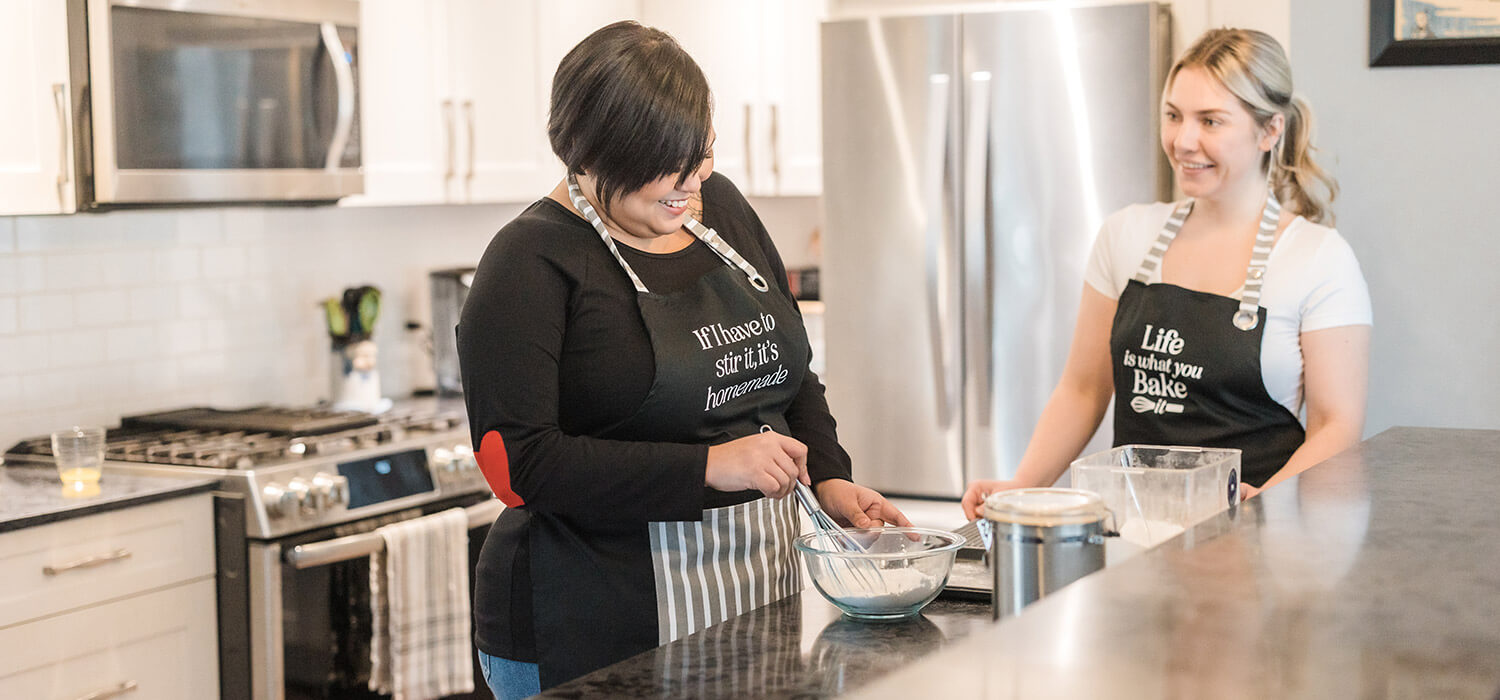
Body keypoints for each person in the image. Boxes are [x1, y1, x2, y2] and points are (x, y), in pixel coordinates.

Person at [457, 21, 911, 698]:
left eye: (700, 154)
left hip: (754, 604)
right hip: (592, 626)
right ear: (589, 154)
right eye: (664, 164)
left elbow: (787, 375)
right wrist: (708, 467)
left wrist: (830, 480)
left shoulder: (719, 206)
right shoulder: (529, 261)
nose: (691, 182)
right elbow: (521, 467)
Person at [961, 28, 1371, 521]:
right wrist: (1021, 486)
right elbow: (1083, 390)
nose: (1183, 141)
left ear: (1269, 131)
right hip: (1131, 532)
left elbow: (1336, 425)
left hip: (1256, 538)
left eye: (1210, 121)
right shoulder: (1125, 235)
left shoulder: (1318, 258)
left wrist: (1264, 505)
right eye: (1173, 115)